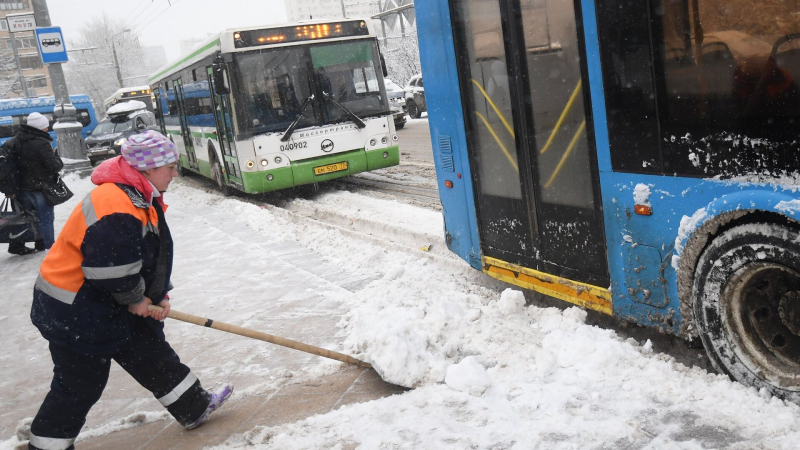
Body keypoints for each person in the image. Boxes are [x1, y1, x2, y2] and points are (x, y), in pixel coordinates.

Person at [27, 130, 233, 450]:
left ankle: (192, 406)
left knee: (147, 348)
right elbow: (110, 269)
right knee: (81, 382)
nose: (176, 173)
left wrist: (158, 293)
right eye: (170, 166)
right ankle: (47, 446)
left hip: (104, 302)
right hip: (74, 308)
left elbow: (149, 254)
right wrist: (135, 298)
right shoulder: (115, 202)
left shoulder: (138, 193)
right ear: (148, 168)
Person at [7, 111, 62, 255]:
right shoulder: (41, 143)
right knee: (46, 218)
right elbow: (54, 166)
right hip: (40, 187)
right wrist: (58, 159)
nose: (47, 128)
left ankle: (25, 243)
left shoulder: (15, 141)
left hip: (22, 188)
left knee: (27, 217)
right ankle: (49, 246)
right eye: (45, 126)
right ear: (39, 127)